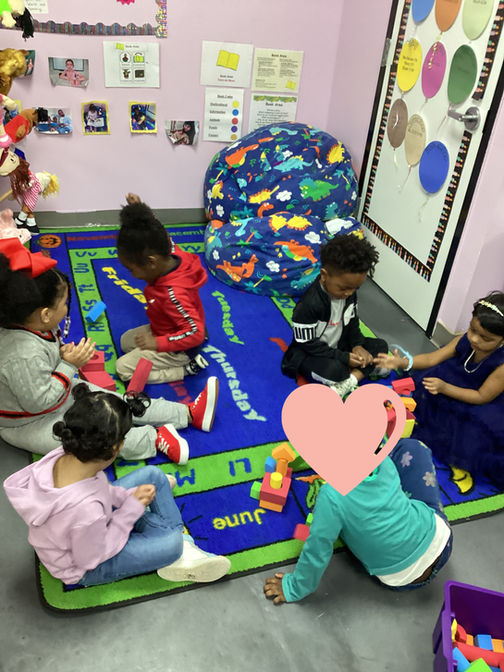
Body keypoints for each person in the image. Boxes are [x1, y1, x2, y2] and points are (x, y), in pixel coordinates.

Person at [0, 238, 219, 464]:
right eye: (64, 303)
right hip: (29, 421)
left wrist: (62, 356)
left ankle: (187, 413)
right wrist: (68, 365)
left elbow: (43, 365)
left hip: (60, 391)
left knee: (117, 402)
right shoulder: (22, 354)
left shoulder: (34, 325)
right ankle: (154, 438)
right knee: (86, 442)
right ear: (45, 314)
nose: (66, 308)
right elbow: (40, 401)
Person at [3, 384, 231, 586]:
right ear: (116, 448)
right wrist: (130, 510)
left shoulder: (68, 452)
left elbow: (99, 489)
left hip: (86, 524)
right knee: (172, 543)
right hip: (87, 565)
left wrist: (124, 497)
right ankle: (182, 549)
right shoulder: (85, 511)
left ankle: (168, 532)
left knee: (153, 475)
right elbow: (92, 557)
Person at [263, 438, 452, 604]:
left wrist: (295, 587)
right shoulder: (384, 461)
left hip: (399, 577)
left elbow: (317, 549)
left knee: (343, 517)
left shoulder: (331, 496)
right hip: (441, 543)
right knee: (411, 447)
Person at [374, 292, 504, 487]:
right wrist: (403, 362)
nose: (475, 339)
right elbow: (432, 359)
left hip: (481, 399)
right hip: (453, 379)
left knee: (470, 435)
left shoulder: (501, 365)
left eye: (485, 338)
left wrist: (445, 388)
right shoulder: (464, 340)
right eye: (472, 330)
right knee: (424, 388)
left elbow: (481, 396)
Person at [115, 193, 211, 384]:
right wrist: (144, 215)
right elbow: (160, 235)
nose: (132, 275)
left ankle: (185, 369)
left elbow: (195, 333)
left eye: (132, 269)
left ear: (151, 262)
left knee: (122, 368)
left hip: (180, 349)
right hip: (165, 328)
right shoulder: (169, 252)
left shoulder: (173, 294)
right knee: (126, 341)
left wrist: (157, 343)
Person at [281, 234, 388, 397]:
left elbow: (353, 322)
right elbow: (307, 344)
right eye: (344, 288)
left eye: (355, 288)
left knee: (380, 346)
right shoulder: (309, 304)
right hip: (311, 354)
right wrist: (344, 358)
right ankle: (359, 372)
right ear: (324, 275)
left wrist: (357, 346)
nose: (349, 293)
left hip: (341, 347)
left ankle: (350, 381)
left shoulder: (349, 293)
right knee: (335, 371)